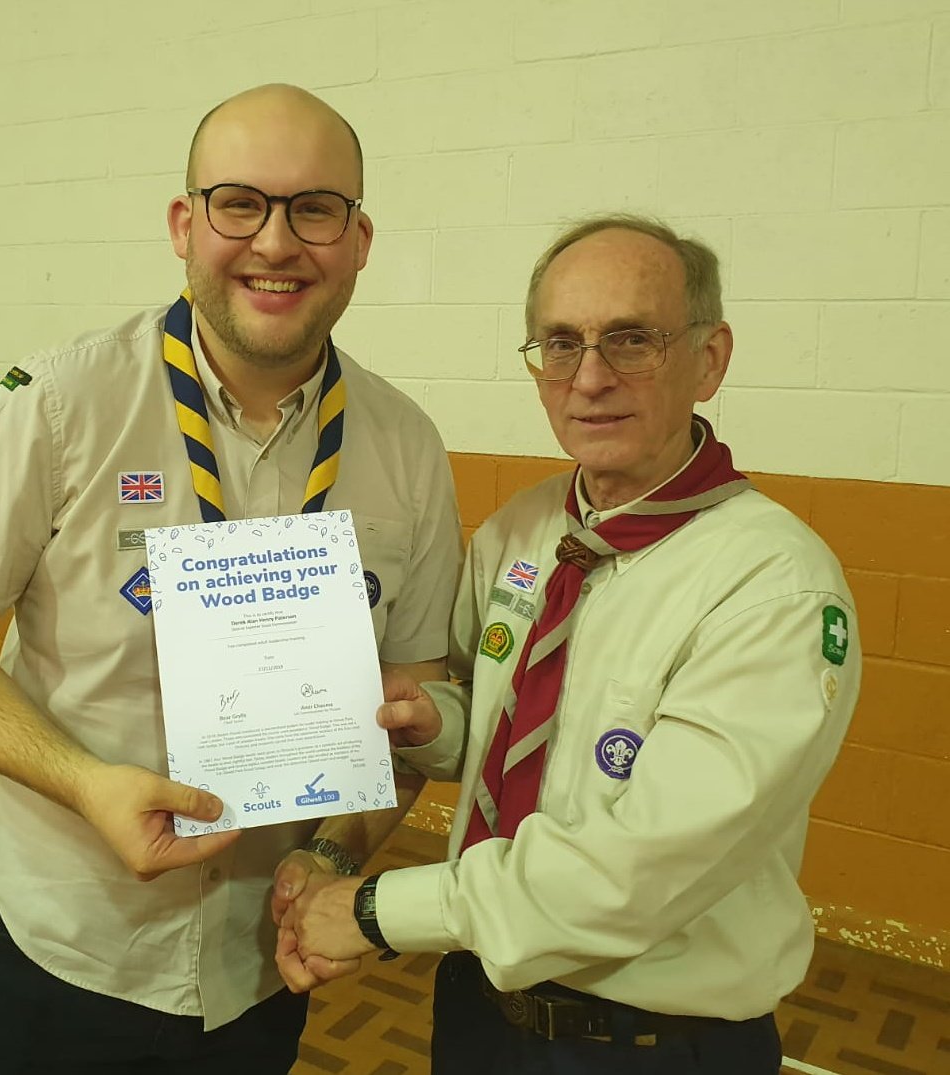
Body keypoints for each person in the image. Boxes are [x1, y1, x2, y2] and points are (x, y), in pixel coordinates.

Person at [0, 83, 461, 1075]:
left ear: (358, 240)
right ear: (185, 226)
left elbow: (406, 707)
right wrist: (85, 782)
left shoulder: (404, 448)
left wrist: (337, 853)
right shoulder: (61, 404)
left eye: (315, 209)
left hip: (259, 969)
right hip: (58, 950)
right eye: (240, 202)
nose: (276, 242)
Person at [279, 214, 861, 1075]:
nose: (589, 378)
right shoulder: (521, 528)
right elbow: (488, 712)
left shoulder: (773, 585)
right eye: (559, 344)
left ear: (708, 358)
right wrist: (429, 723)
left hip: (652, 1044)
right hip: (478, 1008)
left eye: (631, 340)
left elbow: (640, 869)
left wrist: (371, 913)